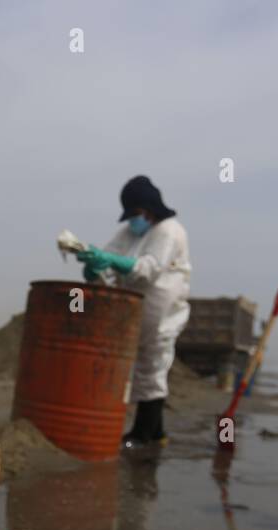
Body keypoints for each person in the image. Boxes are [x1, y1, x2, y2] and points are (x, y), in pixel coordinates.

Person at [75, 175, 191, 447]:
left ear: (151, 209)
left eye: (137, 214)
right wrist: (95, 264)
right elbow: (109, 257)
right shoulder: (130, 232)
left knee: (153, 367)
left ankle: (143, 435)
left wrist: (112, 261)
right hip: (133, 309)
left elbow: (149, 269)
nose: (133, 221)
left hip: (161, 311)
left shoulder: (169, 231)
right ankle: (156, 433)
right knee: (142, 369)